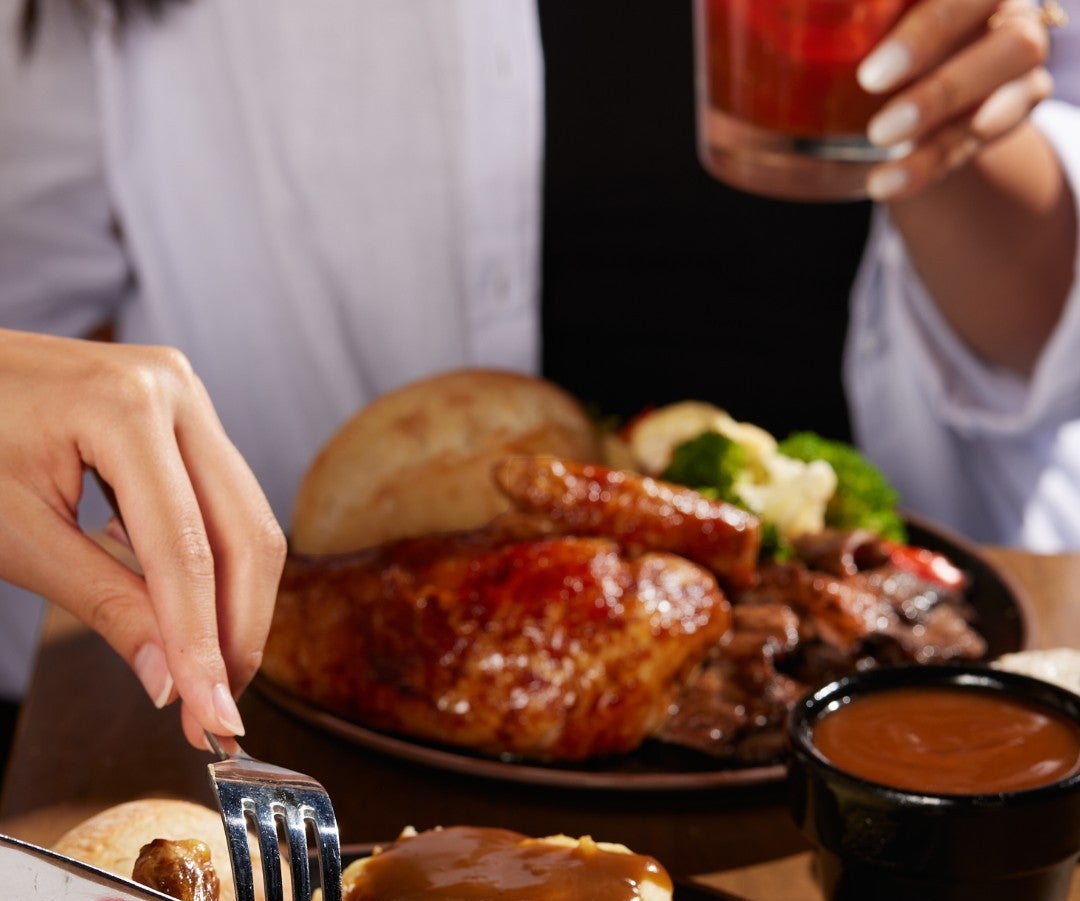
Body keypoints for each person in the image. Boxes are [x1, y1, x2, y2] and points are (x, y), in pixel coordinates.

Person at [0, 0, 1077, 754]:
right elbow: (28, 301)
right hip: (276, 721)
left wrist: (958, 126)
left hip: (887, 726)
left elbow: (1043, 338)